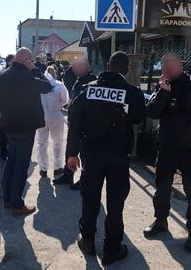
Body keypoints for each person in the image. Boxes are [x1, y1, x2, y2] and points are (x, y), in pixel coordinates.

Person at [67, 51, 145, 265]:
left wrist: (71, 154)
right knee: (115, 203)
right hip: (118, 157)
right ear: (126, 70)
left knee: (90, 199)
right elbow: (139, 118)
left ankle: (88, 241)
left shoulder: (85, 91)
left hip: (91, 156)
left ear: (108, 66)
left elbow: (74, 122)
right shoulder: (132, 93)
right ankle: (112, 249)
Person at [144, 53, 191, 253]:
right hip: (167, 148)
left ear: (179, 65)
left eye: (169, 66)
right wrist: (163, 92)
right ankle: (160, 221)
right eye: (164, 67)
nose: (165, 70)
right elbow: (151, 112)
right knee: (162, 188)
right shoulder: (163, 86)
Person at [0, 47, 52, 217]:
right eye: (31, 60)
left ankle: (7, 198)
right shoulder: (28, 76)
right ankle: (17, 204)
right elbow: (47, 86)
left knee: (11, 161)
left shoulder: (2, 75)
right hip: (25, 128)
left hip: (9, 126)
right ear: (26, 60)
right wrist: (34, 69)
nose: (33, 63)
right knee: (21, 165)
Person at [54, 57, 96, 190]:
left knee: (84, 155)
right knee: (71, 149)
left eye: (75, 67)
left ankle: (84, 180)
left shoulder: (92, 82)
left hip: (85, 126)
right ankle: (68, 175)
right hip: (75, 123)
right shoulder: (79, 79)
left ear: (84, 67)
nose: (73, 69)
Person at [36, 66, 69, 178]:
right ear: (54, 73)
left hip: (41, 116)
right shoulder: (59, 85)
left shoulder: (39, 86)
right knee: (58, 142)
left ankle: (43, 168)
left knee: (42, 143)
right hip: (55, 115)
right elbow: (65, 100)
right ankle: (57, 167)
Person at [0, 54, 15, 160]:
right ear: (9, 61)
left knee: (6, 132)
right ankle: (5, 154)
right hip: (9, 109)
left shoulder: (2, 74)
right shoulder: (6, 74)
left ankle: (5, 154)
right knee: (7, 133)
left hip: (5, 108)